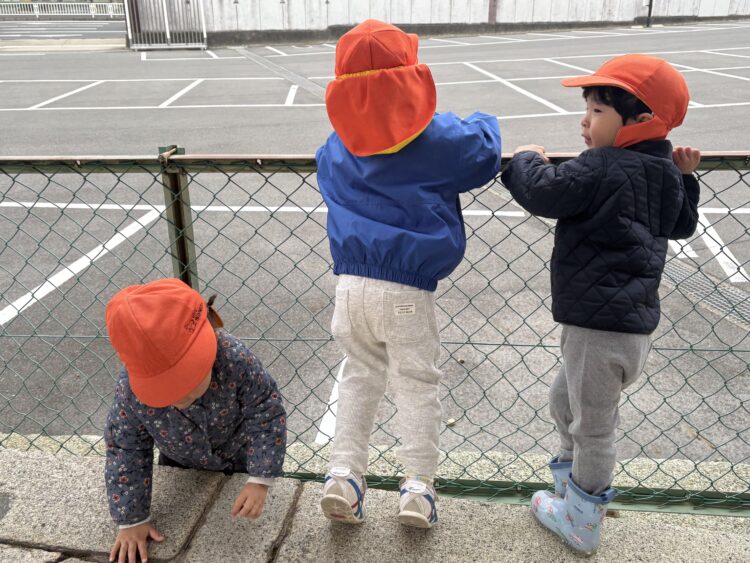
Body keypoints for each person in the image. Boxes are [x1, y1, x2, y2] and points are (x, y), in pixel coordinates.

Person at [501, 54, 701, 554]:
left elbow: (543, 193)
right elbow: (681, 225)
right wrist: (686, 178)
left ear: (641, 120)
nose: (584, 122)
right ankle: (574, 491)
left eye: (596, 112)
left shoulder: (601, 165)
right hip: (624, 325)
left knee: (593, 427)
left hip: (598, 327)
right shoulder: (662, 170)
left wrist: (525, 157)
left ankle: (582, 520)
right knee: (565, 403)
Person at [315, 19, 502, 528]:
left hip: (350, 287)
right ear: (411, 80)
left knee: (358, 376)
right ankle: (418, 486)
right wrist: (480, 119)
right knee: (417, 384)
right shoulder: (434, 138)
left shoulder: (337, 145)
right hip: (406, 289)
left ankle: (343, 477)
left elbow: (326, 165)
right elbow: (483, 148)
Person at [104, 278, 286, 563]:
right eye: (164, 392)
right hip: (179, 460)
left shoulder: (234, 359)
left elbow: (265, 409)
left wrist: (260, 478)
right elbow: (126, 448)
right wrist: (131, 519)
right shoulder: (129, 392)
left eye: (187, 381)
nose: (181, 398)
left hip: (241, 455)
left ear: (208, 340)